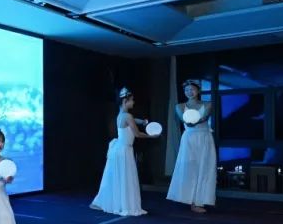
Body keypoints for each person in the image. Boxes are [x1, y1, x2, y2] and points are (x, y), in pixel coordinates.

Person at [91, 88, 155, 216]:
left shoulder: (121, 114)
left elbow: (133, 120)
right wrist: (152, 135)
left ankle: (117, 202)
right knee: (125, 178)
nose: (133, 102)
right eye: (132, 100)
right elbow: (137, 134)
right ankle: (124, 204)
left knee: (118, 178)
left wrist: (142, 121)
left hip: (119, 149)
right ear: (125, 101)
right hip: (124, 151)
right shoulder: (128, 116)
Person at [167, 80, 217, 213]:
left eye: (192, 89)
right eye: (187, 90)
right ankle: (190, 199)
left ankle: (199, 200)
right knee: (190, 168)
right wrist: (189, 121)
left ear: (198, 90)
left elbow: (204, 118)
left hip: (204, 137)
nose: (189, 92)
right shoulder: (180, 106)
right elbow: (184, 120)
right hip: (189, 139)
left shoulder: (207, 104)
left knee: (204, 168)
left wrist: (195, 120)